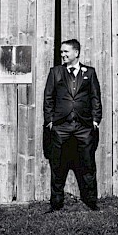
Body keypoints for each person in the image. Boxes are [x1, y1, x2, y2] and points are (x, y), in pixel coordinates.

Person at [43, 38, 103, 211]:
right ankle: (56, 203)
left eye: (66, 52)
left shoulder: (89, 73)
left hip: (84, 127)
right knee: (57, 166)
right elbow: (48, 98)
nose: (63, 55)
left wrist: (95, 120)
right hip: (60, 127)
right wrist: (50, 122)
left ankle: (91, 201)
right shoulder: (56, 72)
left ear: (76, 53)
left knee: (88, 165)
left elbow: (95, 98)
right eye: (61, 52)